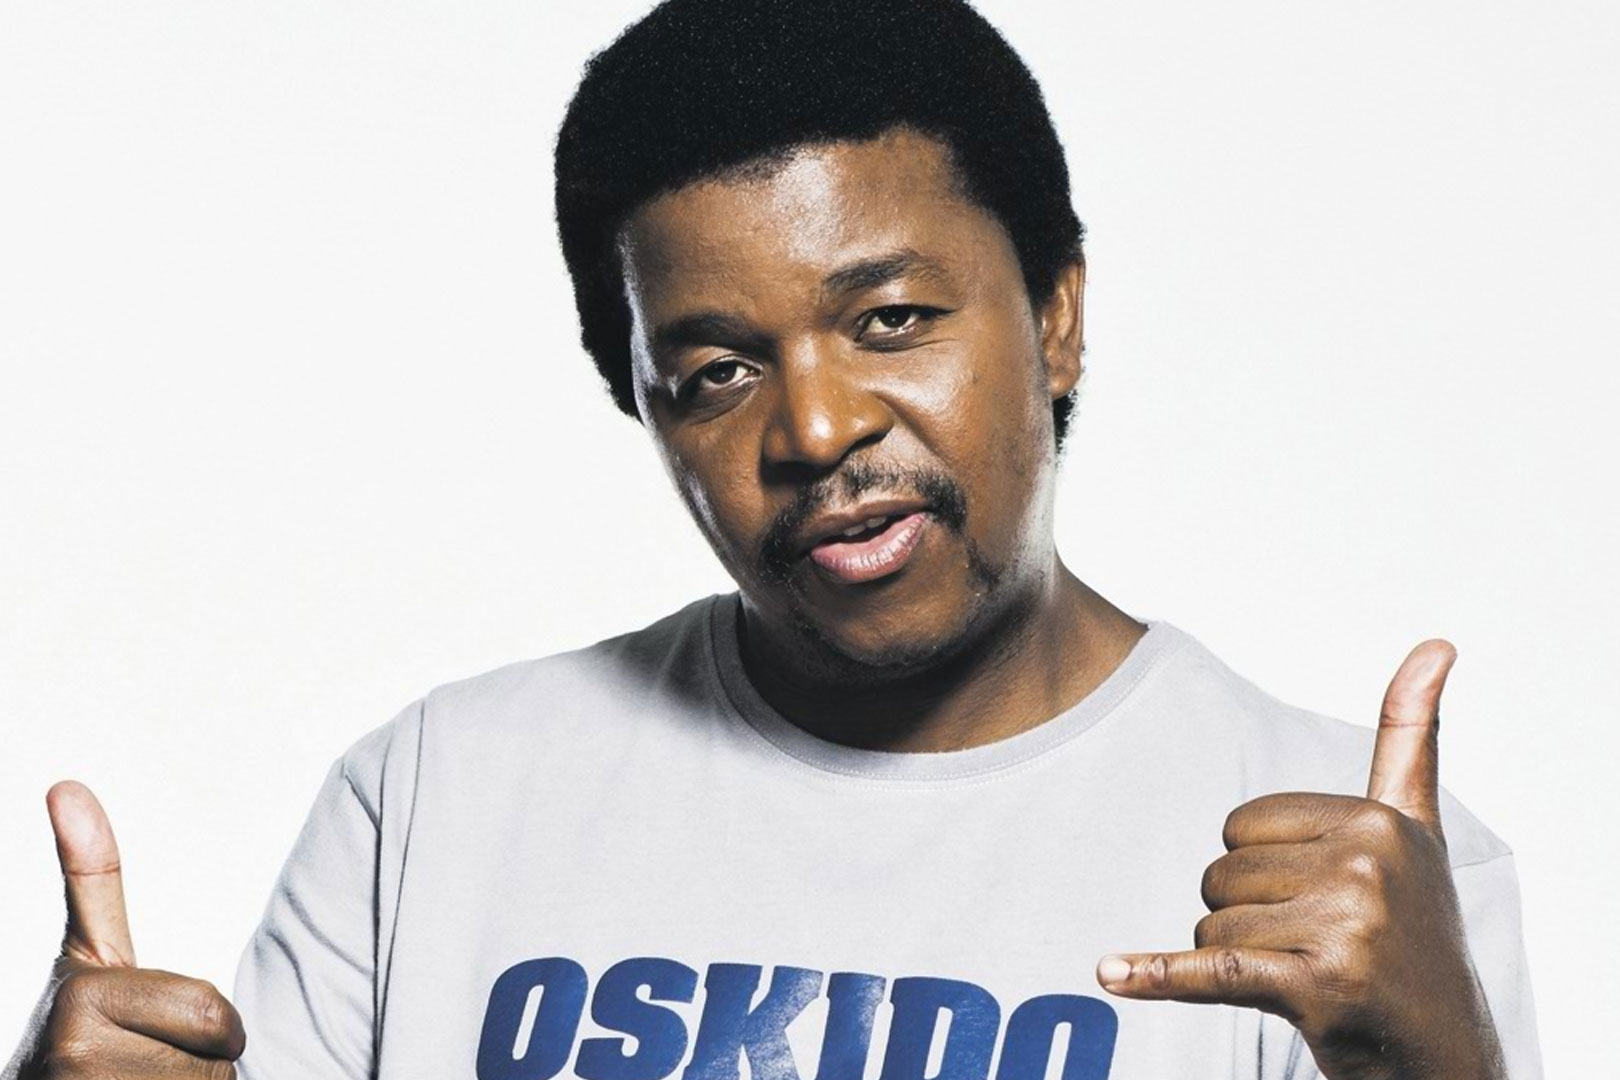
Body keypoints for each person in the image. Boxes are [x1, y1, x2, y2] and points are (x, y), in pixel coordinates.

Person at [6, 0, 1540, 1077]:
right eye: (719, 372)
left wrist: (1440, 1071)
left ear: (1056, 318)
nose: (814, 428)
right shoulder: (440, 798)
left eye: (892, 319)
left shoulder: (1356, 868)